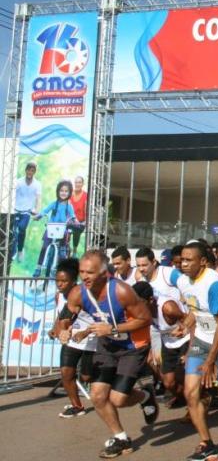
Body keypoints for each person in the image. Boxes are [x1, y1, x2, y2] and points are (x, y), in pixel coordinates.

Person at [57, 250, 157, 458]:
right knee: (98, 395)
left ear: (104, 274)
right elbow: (66, 315)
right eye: (82, 272)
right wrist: (64, 329)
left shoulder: (122, 291)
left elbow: (145, 318)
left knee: (118, 399)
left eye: (90, 273)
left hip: (133, 346)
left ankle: (145, 395)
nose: (85, 277)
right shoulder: (78, 292)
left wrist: (113, 328)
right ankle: (121, 438)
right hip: (107, 345)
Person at [171, 241, 218, 461]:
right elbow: (196, 310)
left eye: (189, 260)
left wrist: (211, 360)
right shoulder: (183, 280)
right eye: (182, 260)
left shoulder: (214, 284)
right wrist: (185, 325)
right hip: (201, 341)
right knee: (190, 393)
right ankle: (207, 444)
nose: (183, 264)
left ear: (203, 261)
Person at [133, 281, 190, 412]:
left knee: (182, 376)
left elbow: (191, 322)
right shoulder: (142, 311)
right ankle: (184, 398)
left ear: (150, 300)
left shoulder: (168, 308)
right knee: (168, 383)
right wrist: (152, 349)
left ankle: (196, 403)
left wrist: (184, 331)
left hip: (186, 340)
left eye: (139, 302)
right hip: (168, 343)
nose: (136, 307)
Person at [50, 258, 96, 418]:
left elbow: (100, 319)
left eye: (64, 281)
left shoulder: (83, 294)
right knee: (66, 373)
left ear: (73, 281)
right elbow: (61, 316)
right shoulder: (59, 296)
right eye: (57, 281)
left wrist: (85, 332)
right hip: (71, 341)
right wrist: (55, 329)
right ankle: (77, 406)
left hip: (91, 339)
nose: (60, 284)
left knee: (86, 377)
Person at [33, 179, 76, 277]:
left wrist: (75, 221)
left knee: (62, 252)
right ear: (58, 191)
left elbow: (73, 216)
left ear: (69, 193)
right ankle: (38, 267)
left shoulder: (69, 206)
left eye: (66, 191)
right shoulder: (54, 204)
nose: (63, 193)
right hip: (51, 229)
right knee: (44, 247)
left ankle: (60, 269)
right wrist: (39, 216)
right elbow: (45, 211)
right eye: (61, 190)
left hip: (62, 230)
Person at [12, 161, 41, 262]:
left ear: (34, 172)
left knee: (22, 228)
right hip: (16, 210)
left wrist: (37, 210)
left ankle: (20, 250)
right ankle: (12, 251)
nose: (30, 172)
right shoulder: (19, 182)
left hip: (27, 211)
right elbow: (12, 194)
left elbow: (38, 198)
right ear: (26, 170)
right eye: (28, 170)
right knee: (13, 231)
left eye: (32, 171)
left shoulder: (37, 184)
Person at [69, 176, 87, 257]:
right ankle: (66, 249)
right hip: (70, 220)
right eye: (76, 182)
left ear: (82, 184)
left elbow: (86, 209)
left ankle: (74, 250)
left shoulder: (85, 195)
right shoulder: (70, 194)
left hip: (80, 221)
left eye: (79, 182)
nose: (77, 184)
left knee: (77, 231)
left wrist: (85, 221)